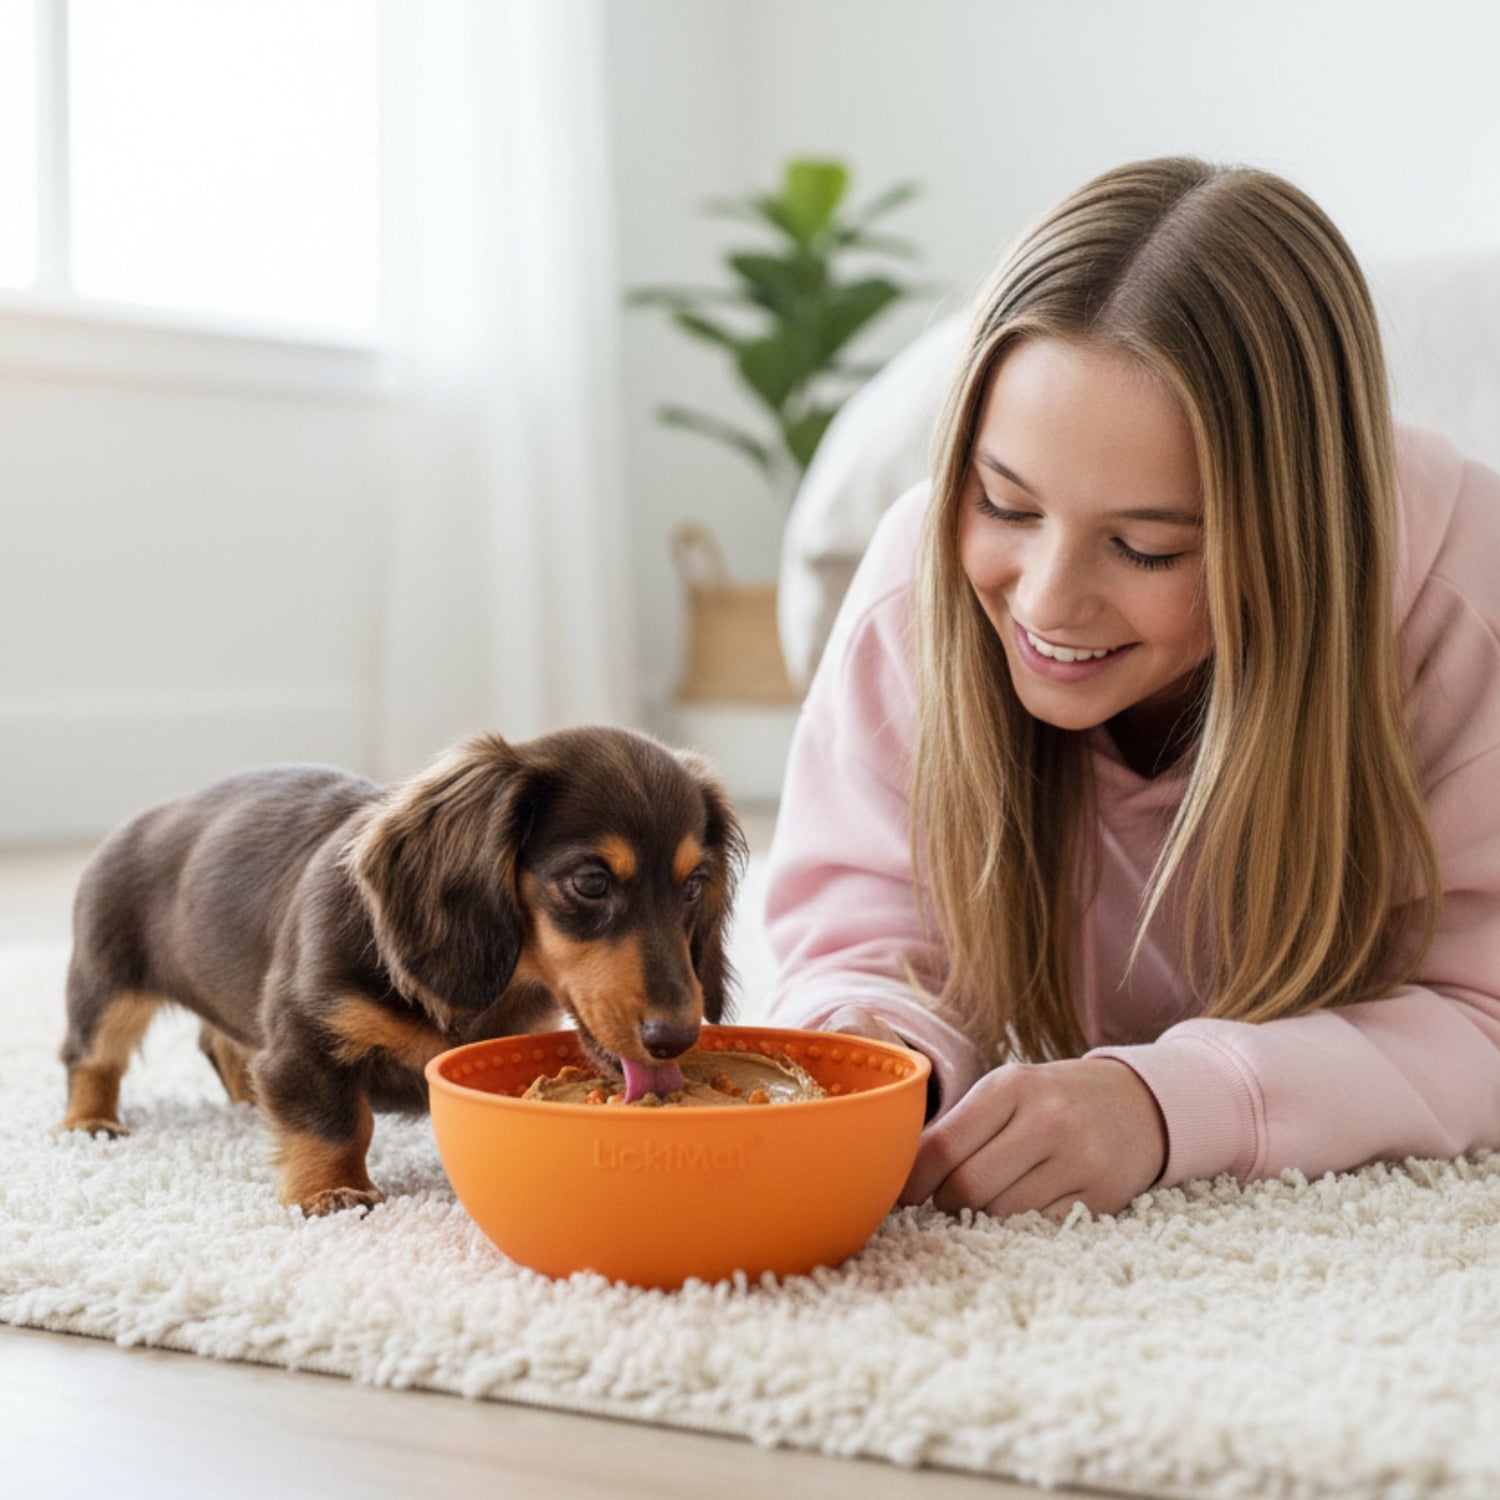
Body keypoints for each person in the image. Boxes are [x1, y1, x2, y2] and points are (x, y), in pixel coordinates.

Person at [761, 156, 1500, 1223]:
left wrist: (1161, 1105)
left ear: (1291, 534)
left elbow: (1482, 1014)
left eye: (1148, 548)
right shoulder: (915, 587)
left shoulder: (1461, 601)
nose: (1049, 604)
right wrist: (874, 1060)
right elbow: (862, 931)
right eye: (1006, 504)